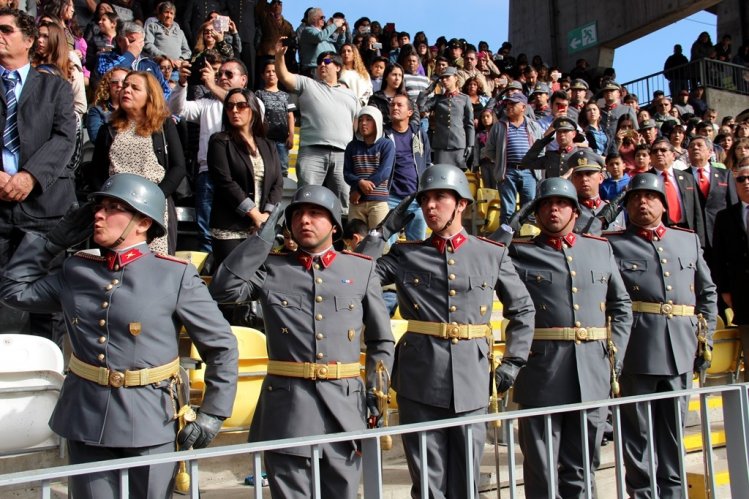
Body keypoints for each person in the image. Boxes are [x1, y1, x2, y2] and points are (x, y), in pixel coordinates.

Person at [0, 173, 238, 499]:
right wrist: (50, 243)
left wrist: (213, 412)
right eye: (99, 206)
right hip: (85, 419)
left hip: (150, 421)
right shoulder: (76, 270)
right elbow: (13, 291)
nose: (98, 214)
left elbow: (221, 345)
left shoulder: (174, 275)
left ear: (142, 222)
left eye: (114, 208)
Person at [357, 163, 535, 498]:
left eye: (440, 198)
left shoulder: (490, 254)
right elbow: (352, 278)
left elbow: (523, 309)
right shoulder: (406, 255)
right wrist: (381, 233)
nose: (431, 206)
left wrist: (514, 360)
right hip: (419, 379)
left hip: (473, 377)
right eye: (426, 200)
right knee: (427, 486)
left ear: (462, 204)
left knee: (466, 481)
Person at [210, 184, 394, 499]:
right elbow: (224, 290)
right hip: (288, 409)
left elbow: (381, 339)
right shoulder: (271, 267)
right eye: (297, 214)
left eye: (315, 214)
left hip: (345, 409)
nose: (304, 220)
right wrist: (262, 238)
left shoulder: (360, 269)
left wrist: (376, 393)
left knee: (343, 492)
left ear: (335, 225)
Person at [508, 176, 631, 499]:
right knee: (542, 471)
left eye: (561, 204)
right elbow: (485, 258)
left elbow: (621, 306)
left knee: (582, 467)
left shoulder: (599, 249)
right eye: (545, 205)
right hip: (542, 375)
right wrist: (508, 227)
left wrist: (612, 355)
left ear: (575, 212)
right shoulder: (519, 253)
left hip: (591, 372)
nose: (553, 210)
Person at [607, 173, 717, 498]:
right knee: (638, 439)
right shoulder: (612, 244)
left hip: (681, 351)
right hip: (637, 352)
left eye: (650, 197)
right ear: (625, 205)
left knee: (673, 437)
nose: (643, 202)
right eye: (635, 198)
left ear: (663, 203)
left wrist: (704, 338)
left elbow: (707, 292)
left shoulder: (687, 240)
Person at [0, 7, 77, 345]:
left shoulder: (55, 88)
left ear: (29, 41)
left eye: (6, 30)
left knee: (45, 302)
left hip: (44, 207)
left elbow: (64, 138)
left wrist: (29, 176)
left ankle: (47, 384)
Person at [91, 70, 186, 255]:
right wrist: (107, 200)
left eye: (135, 87)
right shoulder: (108, 130)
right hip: (116, 209)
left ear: (150, 96)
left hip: (154, 208)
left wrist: (157, 196)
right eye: (125, 85)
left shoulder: (163, 126)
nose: (126, 90)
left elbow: (178, 167)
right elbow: (96, 172)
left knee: (156, 264)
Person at [168, 57, 249, 253]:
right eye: (219, 74)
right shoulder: (206, 103)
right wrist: (181, 83)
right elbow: (176, 109)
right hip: (208, 173)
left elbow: (239, 104)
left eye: (229, 74)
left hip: (238, 174)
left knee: (240, 229)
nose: (222, 77)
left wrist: (211, 84)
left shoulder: (251, 103)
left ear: (243, 80)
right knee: (205, 231)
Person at [274, 40, 359, 215]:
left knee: (343, 203)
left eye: (327, 61)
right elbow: (284, 76)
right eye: (319, 62)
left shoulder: (351, 95)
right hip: (312, 152)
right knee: (307, 198)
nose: (322, 65)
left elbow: (357, 125)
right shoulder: (308, 84)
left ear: (338, 67)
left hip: (343, 154)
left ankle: (341, 241)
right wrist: (279, 56)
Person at [207, 88, 283, 267]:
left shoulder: (268, 145)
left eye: (241, 105)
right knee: (230, 284)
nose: (234, 110)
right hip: (230, 227)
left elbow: (277, 183)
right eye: (230, 106)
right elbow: (225, 182)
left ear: (253, 110)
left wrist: (266, 216)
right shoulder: (220, 141)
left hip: (261, 228)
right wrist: (254, 214)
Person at [712, 160, 749, 381]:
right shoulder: (725, 217)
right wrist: (725, 291)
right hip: (744, 298)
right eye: (741, 179)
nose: (746, 183)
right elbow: (719, 258)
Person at [483, 92, 544, 224]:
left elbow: (541, 150)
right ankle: (506, 240)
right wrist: (501, 161)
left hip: (529, 172)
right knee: (508, 211)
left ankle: (525, 239)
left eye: (513, 104)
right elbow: (489, 150)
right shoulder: (498, 126)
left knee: (528, 209)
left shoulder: (534, 126)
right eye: (508, 104)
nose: (509, 107)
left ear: (523, 107)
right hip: (508, 172)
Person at [383, 93, 430, 242]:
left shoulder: (419, 134)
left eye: (399, 105)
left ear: (410, 112)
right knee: (387, 246)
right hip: (390, 198)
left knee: (416, 246)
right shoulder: (383, 134)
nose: (394, 107)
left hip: (416, 198)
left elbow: (427, 162)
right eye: (392, 105)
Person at [648, 137, 706, 247]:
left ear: (673, 155)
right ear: (650, 157)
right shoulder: (646, 179)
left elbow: (697, 210)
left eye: (663, 150)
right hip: (660, 232)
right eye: (655, 151)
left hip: (687, 230)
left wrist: (700, 242)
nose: (659, 153)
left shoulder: (687, 177)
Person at [344, 106, 394, 229]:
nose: (363, 123)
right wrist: (359, 182)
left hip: (377, 202)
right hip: (356, 203)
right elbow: (347, 173)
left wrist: (360, 191)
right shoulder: (352, 146)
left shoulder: (386, 144)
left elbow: (384, 172)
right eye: (360, 120)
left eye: (368, 119)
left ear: (377, 122)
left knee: (378, 243)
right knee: (354, 242)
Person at [417, 66, 475, 170]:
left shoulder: (464, 98)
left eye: (447, 77)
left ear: (456, 78)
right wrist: (428, 90)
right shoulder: (438, 99)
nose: (444, 80)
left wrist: (470, 144)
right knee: (441, 175)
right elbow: (420, 108)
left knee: (457, 177)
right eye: (442, 78)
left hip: (458, 144)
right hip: (441, 145)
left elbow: (469, 123)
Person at [97, 21, 170, 98]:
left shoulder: (151, 64)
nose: (136, 46)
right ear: (119, 41)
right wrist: (130, 55)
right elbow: (105, 77)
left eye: (139, 42)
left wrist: (153, 103)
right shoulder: (105, 57)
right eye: (132, 41)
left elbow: (167, 91)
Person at [33, 20, 86, 116]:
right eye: (38, 36)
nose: (39, 40)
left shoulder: (70, 67)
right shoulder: (30, 63)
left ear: (56, 39)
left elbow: (80, 106)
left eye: (45, 36)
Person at [255, 59, 295, 177]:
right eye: (268, 71)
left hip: (282, 139)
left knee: (282, 168)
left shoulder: (286, 95)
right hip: (265, 139)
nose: (271, 74)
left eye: (274, 71)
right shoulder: (258, 94)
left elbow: (290, 115)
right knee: (265, 168)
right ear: (262, 75)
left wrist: (291, 135)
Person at [86, 66, 128, 144]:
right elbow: (97, 139)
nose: (119, 85)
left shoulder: (136, 109)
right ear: (108, 86)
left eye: (124, 82)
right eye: (114, 82)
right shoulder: (97, 110)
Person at [297, 7, 344, 76]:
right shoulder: (307, 31)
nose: (324, 19)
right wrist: (335, 25)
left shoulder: (325, 34)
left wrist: (341, 33)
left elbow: (338, 45)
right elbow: (319, 37)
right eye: (322, 17)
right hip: (315, 69)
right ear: (313, 18)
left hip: (328, 68)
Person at [143, 1, 190, 68]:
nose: (169, 16)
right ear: (160, 14)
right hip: (158, 67)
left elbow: (187, 51)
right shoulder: (152, 26)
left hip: (176, 69)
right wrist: (164, 56)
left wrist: (180, 60)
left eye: (171, 13)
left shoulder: (180, 32)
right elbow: (147, 44)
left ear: (174, 16)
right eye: (166, 12)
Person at [367, 62, 406, 129]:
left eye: (400, 75)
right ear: (386, 77)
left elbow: (414, 119)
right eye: (394, 75)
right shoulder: (376, 98)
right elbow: (372, 119)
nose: (397, 78)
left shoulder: (406, 98)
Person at [339, 42, 372, 106]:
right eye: (343, 51)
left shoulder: (363, 73)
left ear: (354, 54)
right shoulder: (338, 72)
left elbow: (368, 90)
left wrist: (361, 102)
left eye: (349, 51)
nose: (346, 53)